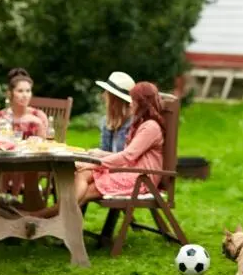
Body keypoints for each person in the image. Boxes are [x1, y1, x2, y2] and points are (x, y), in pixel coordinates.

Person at [25, 82, 165, 219]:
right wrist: (95, 158)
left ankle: (43, 217)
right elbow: (128, 155)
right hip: (131, 172)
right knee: (83, 173)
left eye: (133, 100)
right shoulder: (141, 124)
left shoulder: (150, 127)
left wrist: (95, 163)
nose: (130, 103)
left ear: (142, 103)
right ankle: (52, 219)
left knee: (85, 192)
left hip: (141, 179)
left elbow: (128, 155)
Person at [0, 68, 49, 139]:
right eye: (20, 91)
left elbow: (46, 145)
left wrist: (39, 123)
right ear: (9, 93)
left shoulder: (39, 116)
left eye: (28, 91)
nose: (25, 95)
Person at [96, 71, 135, 153]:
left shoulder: (134, 124)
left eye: (107, 94)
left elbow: (127, 159)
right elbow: (104, 150)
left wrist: (101, 154)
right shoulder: (107, 121)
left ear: (114, 101)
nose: (104, 96)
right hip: (110, 165)